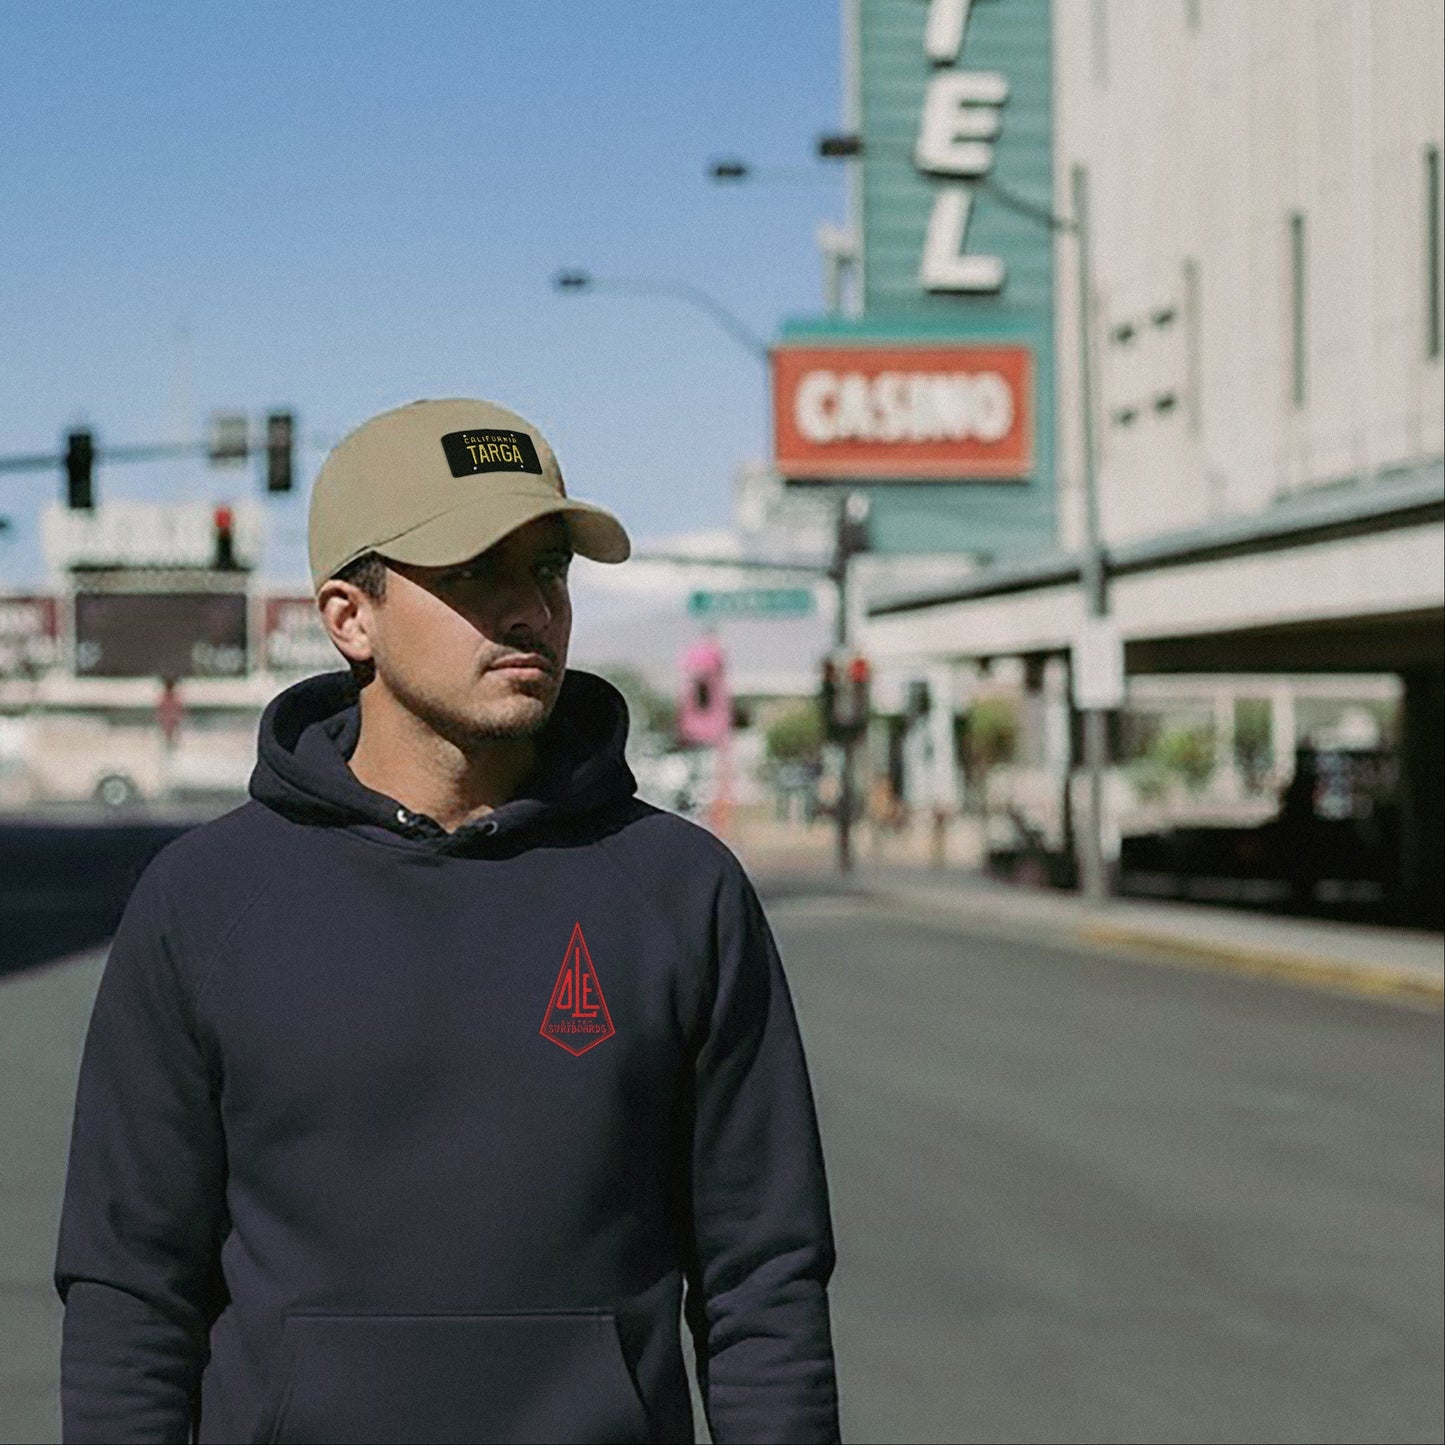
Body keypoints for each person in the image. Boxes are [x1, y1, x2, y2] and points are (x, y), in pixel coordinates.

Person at [53, 398, 841, 1444]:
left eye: (549, 567)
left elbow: (763, 1276)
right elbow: (130, 1288)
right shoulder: (204, 898)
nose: (529, 609)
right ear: (349, 615)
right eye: (473, 572)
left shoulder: (677, 887)